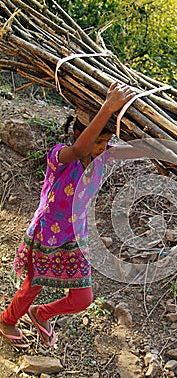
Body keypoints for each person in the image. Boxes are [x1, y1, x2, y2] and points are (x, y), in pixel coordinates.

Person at [0, 81, 136, 349]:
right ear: (77, 133)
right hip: (47, 235)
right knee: (32, 286)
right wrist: (108, 107)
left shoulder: (103, 159)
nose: (101, 148)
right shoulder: (60, 157)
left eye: (105, 142)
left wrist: (166, 150)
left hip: (75, 240)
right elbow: (78, 150)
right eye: (98, 141)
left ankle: (42, 313)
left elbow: (137, 149)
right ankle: (6, 320)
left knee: (83, 299)